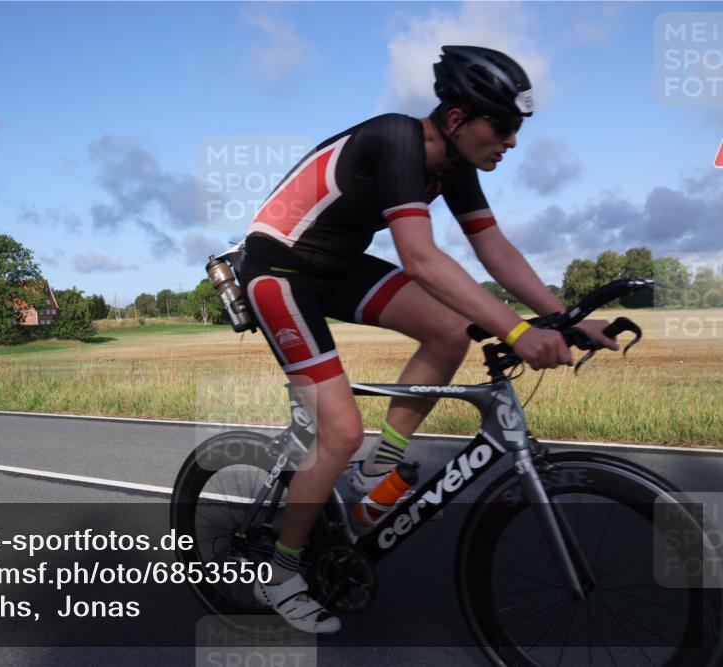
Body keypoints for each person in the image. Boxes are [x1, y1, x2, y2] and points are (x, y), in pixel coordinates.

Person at [238, 45, 618, 634]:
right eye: (505, 127)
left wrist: (564, 317)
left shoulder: (457, 166)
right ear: (459, 119)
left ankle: (378, 468)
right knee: (338, 430)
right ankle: (282, 573)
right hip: (278, 271)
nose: (513, 141)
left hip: (337, 264)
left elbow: (495, 250)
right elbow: (419, 257)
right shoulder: (395, 139)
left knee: (449, 329)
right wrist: (514, 330)